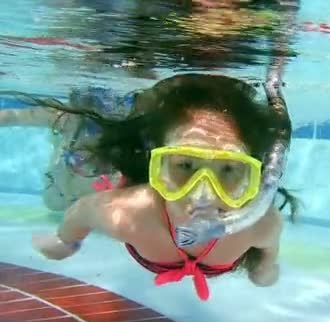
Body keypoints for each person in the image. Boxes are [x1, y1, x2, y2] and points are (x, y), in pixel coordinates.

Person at [4, 73, 298, 301]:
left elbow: (266, 258)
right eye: (184, 165)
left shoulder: (260, 223)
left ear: (255, 175)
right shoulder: (129, 213)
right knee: (62, 191)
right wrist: (66, 242)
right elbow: (80, 213)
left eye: (230, 170)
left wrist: (264, 271)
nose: (204, 193)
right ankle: (60, 127)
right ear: (156, 167)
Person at [0, 87, 135, 211]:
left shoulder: (70, 119)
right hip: (67, 189)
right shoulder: (67, 118)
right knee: (55, 202)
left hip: (91, 191)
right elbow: (13, 116)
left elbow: (14, 116)